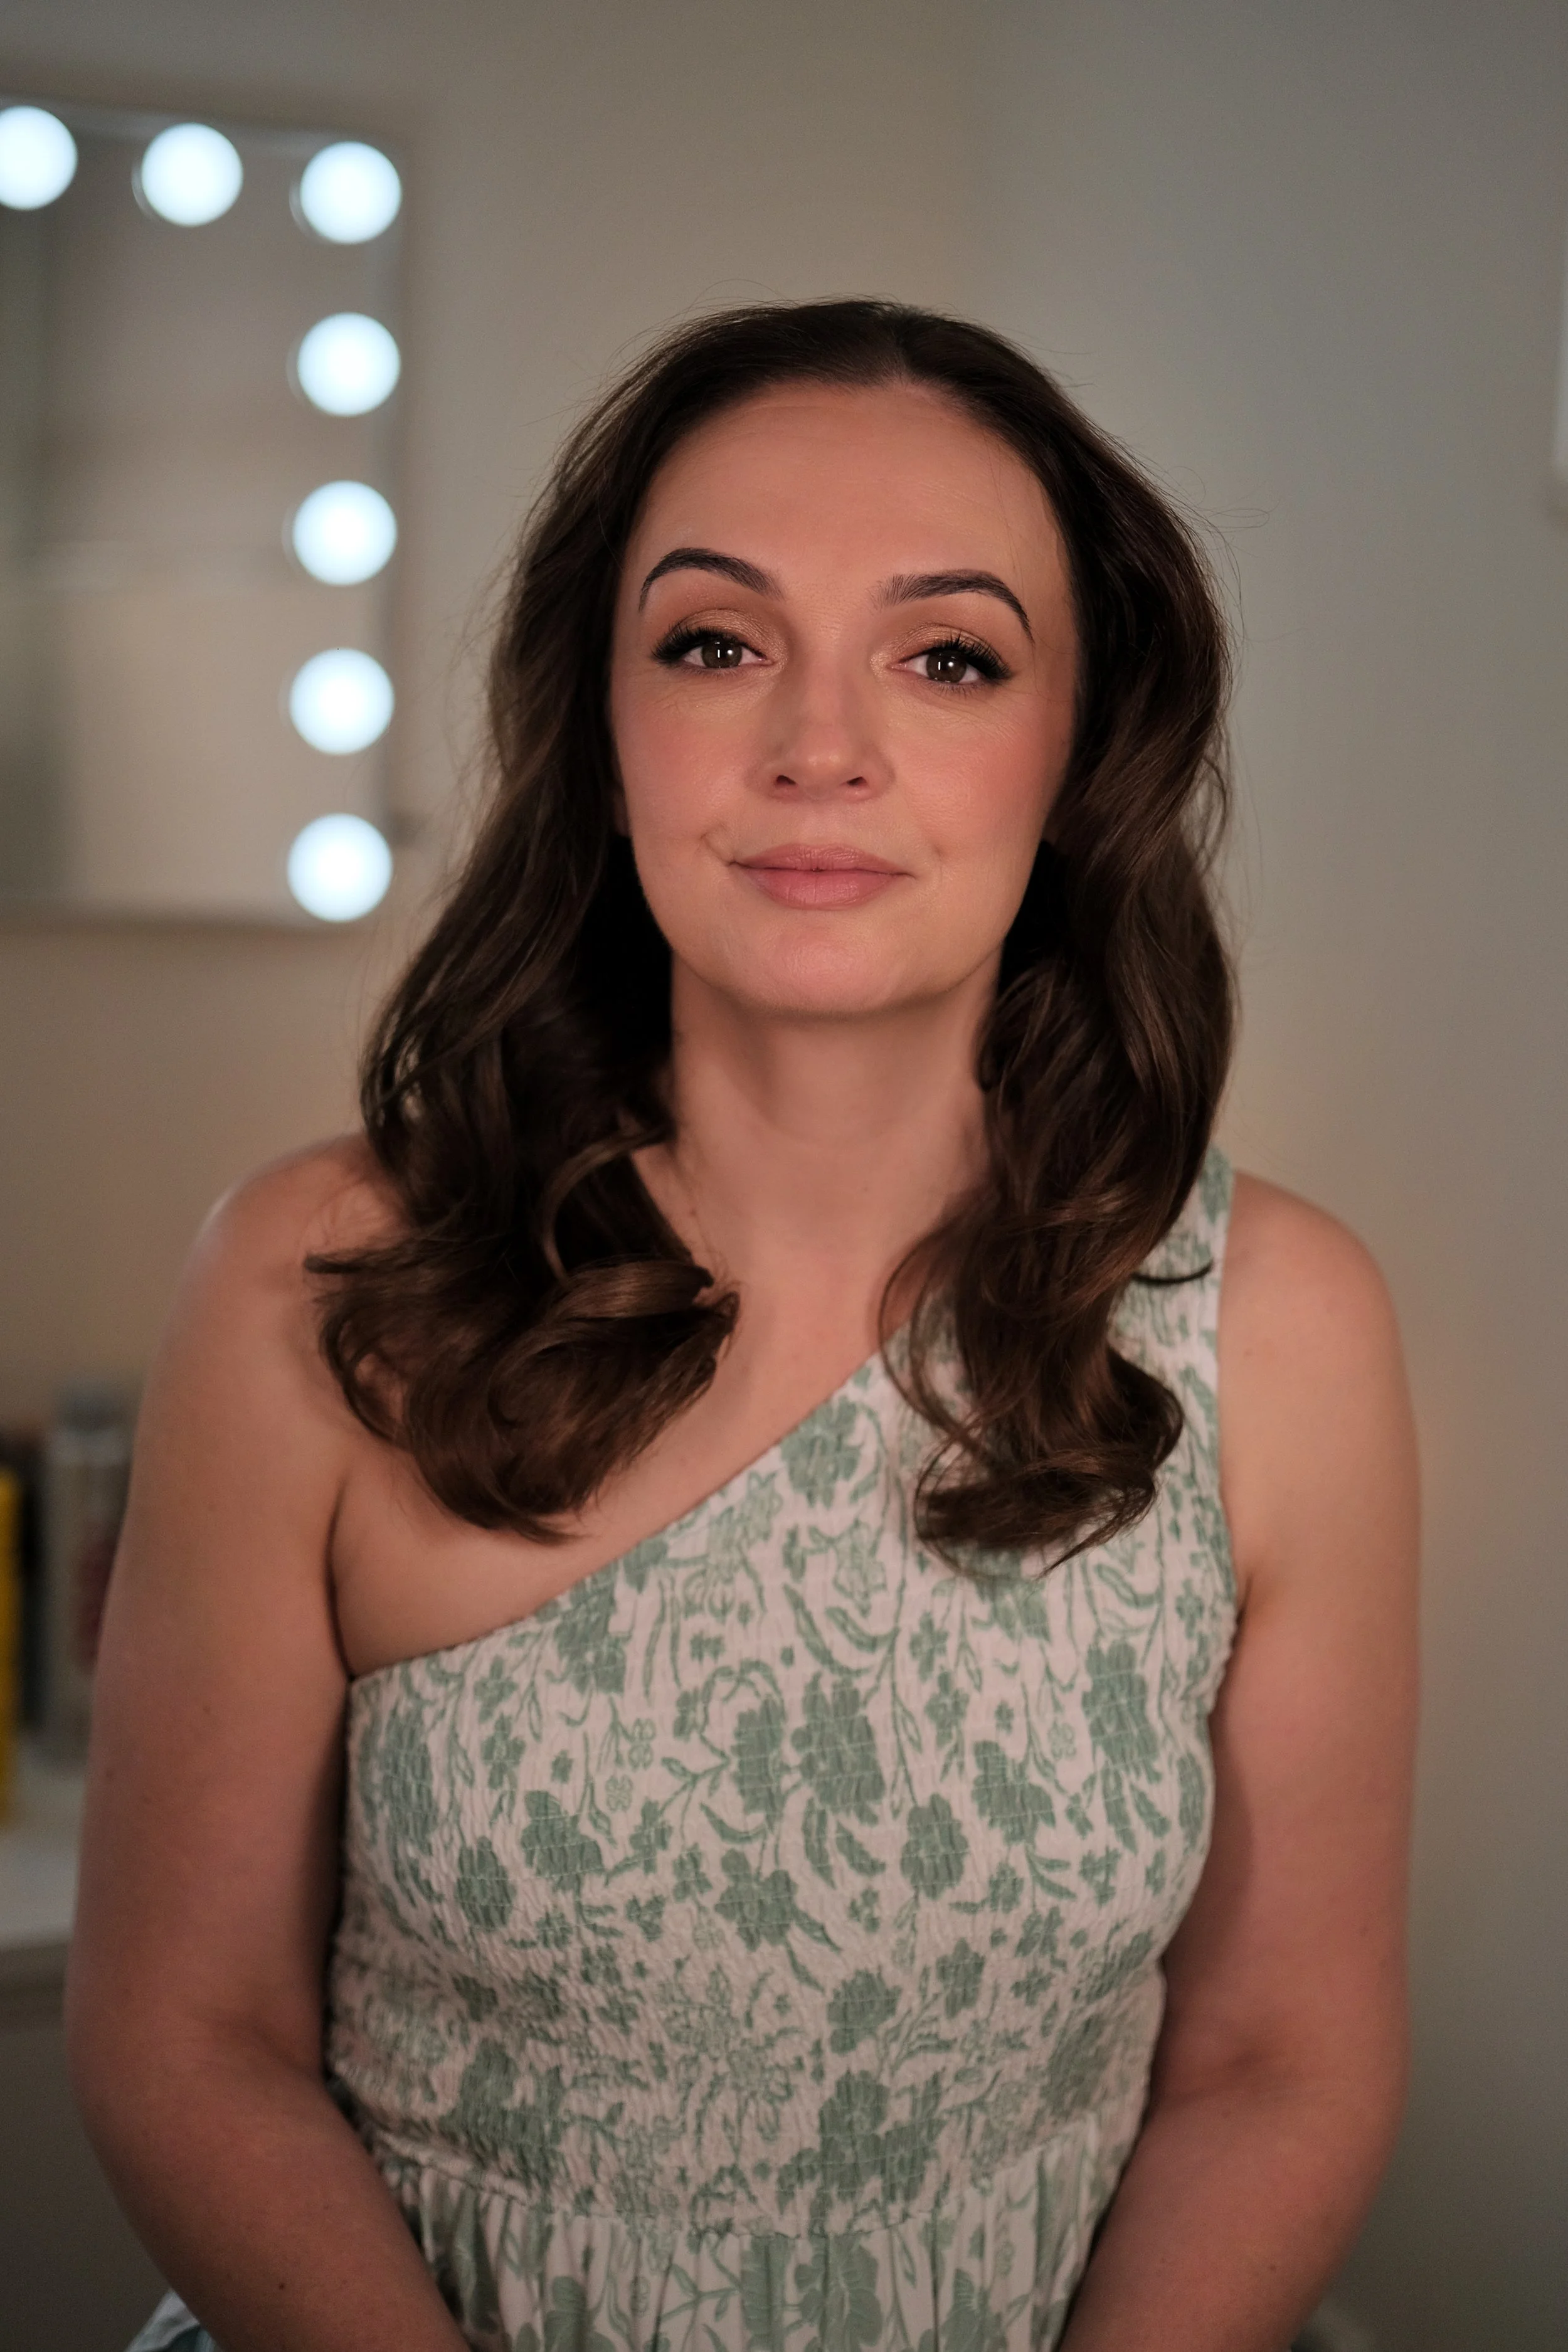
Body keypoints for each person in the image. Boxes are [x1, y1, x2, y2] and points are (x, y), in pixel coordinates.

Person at [69, 300, 1418, 2352]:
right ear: (600, 729)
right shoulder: (318, 1283)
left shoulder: (1282, 1326)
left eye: (947, 655)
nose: (819, 744)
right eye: (714, 641)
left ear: (1074, 759)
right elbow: (188, 2031)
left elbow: (1274, 2064)